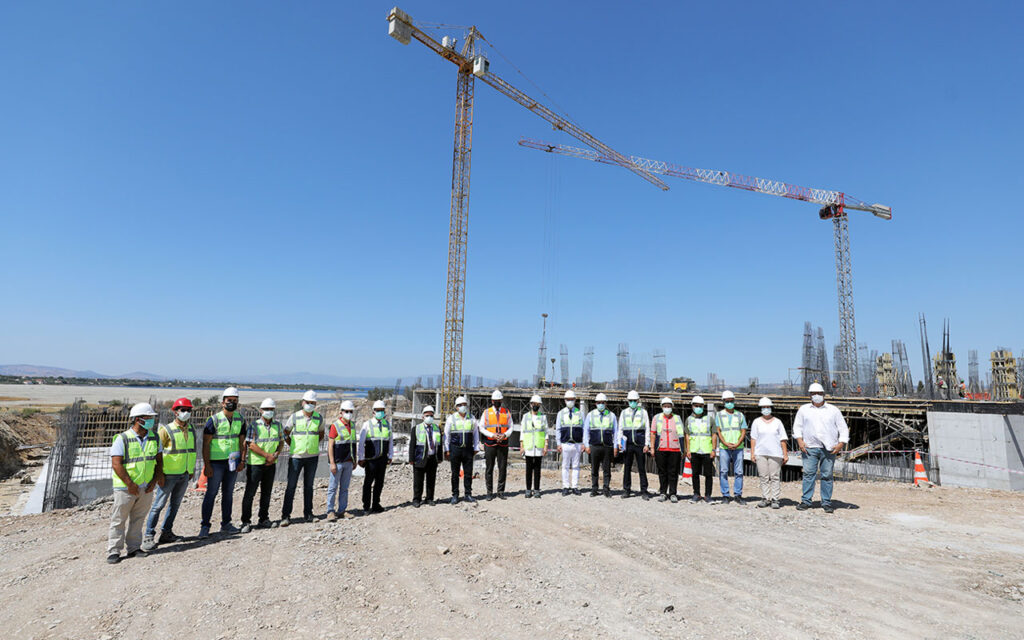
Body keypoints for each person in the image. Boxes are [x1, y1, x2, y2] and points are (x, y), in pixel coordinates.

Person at [107, 403, 163, 564]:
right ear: (138, 419)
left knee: (138, 519)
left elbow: (159, 461)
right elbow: (116, 463)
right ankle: (114, 550)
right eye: (149, 418)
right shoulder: (122, 439)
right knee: (119, 519)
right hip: (125, 488)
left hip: (146, 487)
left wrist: (154, 481)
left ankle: (133, 548)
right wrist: (129, 484)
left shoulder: (154, 437)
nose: (152, 420)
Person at [142, 398, 194, 550]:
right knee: (158, 505)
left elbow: (191, 451)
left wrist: (190, 471)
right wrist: (159, 475)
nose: (186, 413)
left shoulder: (190, 429)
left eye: (188, 410)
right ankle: (148, 535)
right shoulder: (166, 430)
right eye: (182, 410)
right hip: (168, 475)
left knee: (175, 505)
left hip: (184, 474)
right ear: (175, 411)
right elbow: (157, 454)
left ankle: (167, 533)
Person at [794, 383, 849, 513]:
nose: (816, 396)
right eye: (813, 394)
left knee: (827, 475)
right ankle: (806, 501)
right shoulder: (804, 410)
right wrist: (800, 441)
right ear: (809, 395)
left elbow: (843, 428)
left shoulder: (833, 410)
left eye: (819, 393)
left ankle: (826, 502)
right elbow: (797, 427)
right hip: (809, 447)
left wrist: (841, 444)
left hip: (829, 448)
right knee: (808, 475)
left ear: (824, 394)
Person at [200, 387, 246, 539]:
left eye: (234, 401)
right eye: (229, 401)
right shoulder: (214, 420)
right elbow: (206, 444)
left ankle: (226, 523)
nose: (232, 403)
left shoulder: (240, 419)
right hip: (216, 463)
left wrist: (242, 460)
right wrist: (207, 465)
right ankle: (205, 526)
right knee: (211, 493)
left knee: (228, 494)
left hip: (232, 462)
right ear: (222, 403)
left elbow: (242, 442)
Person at [280, 390, 324, 526]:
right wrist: (292, 444)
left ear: (315, 404)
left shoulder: (319, 418)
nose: (310, 405)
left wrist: (313, 444)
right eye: (307, 402)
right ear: (302, 402)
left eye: (312, 403)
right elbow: (285, 433)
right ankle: (286, 516)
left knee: (309, 486)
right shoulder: (294, 417)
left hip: (312, 456)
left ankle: (308, 514)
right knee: (291, 486)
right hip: (296, 456)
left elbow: (321, 434)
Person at [241, 398, 283, 532]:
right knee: (250, 493)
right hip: (256, 464)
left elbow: (281, 441)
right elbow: (251, 445)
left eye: (271, 409)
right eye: (266, 409)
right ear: (261, 411)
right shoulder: (255, 425)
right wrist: (267, 456)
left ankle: (263, 519)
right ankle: (245, 521)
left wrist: (275, 455)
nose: (269, 412)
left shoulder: (278, 425)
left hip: (271, 464)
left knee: (266, 493)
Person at [749, 397, 788, 509]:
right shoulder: (756, 422)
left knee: (775, 476)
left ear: (771, 408)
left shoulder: (777, 422)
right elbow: (753, 439)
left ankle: (775, 499)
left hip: (775, 453)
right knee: (763, 476)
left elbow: (783, 439)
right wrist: (753, 453)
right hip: (761, 453)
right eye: (764, 407)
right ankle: (765, 498)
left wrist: (785, 454)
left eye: (768, 407)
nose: (766, 409)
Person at [358, 399, 394, 514]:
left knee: (379, 482)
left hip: (382, 459)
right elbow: (361, 443)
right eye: (378, 410)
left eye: (382, 410)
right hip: (371, 460)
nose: (380, 413)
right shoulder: (367, 424)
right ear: (373, 412)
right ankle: (366, 506)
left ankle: (376, 504)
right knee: (368, 483)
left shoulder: (387, 425)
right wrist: (361, 457)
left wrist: (390, 455)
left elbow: (390, 441)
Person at [326, 400, 358, 520]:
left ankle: (342, 510)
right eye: (346, 411)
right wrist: (332, 462)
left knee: (344, 488)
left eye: (351, 411)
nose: (349, 413)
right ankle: (330, 511)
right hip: (338, 462)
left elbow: (353, 444)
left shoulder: (353, 426)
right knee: (333, 487)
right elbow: (330, 446)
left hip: (349, 461)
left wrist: (355, 459)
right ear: (341, 412)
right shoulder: (335, 426)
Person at [616, 390, 651, 500]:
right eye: (630, 401)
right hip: (628, 444)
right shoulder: (624, 412)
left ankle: (644, 490)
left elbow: (647, 429)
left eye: (634, 401)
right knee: (627, 467)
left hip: (640, 444)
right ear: (628, 401)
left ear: (638, 401)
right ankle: (626, 490)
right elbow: (620, 429)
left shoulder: (643, 412)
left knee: (641, 468)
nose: (632, 403)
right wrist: (619, 443)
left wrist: (647, 444)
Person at [444, 395, 479, 505]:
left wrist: (476, 447)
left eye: (464, 405)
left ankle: (468, 494)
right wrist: (446, 449)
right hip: (455, 449)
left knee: (468, 473)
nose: (462, 407)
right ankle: (455, 495)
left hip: (468, 449)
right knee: (455, 473)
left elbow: (475, 434)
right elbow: (446, 435)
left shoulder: (472, 418)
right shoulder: (451, 419)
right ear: (456, 407)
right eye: (460, 405)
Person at [478, 389, 512, 500]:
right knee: (489, 469)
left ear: (501, 400)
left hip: (503, 443)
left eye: (499, 400)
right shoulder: (486, 412)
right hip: (490, 443)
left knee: (502, 468)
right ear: (492, 401)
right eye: (496, 400)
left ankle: (501, 491)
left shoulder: (506, 412)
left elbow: (511, 427)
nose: (498, 402)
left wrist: (505, 435)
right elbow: (481, 427)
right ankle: (489, 492)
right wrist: (492, 435)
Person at [715, 390, 747, 504]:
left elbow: (743, 430)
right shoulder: (719, 415)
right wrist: (726, 443)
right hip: (724, 447)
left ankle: (738, 494)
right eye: (727, 401)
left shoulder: (739, 415)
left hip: (738, 447)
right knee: (723, 471)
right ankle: (725, 495)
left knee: (739, 471)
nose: (729, 403)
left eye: (731, 401)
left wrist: (738, 443)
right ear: (723, 402)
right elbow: (718, 431)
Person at [683, 396, 716, 503]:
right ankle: (696, 494)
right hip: (694, 450)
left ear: (703, 406)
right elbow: (687, 435)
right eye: (696, 406)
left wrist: (713, 450)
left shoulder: (709, 419)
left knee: (708, 474)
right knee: (695, 474)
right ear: (692, 406)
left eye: (700, 406)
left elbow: (714, 435)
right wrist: (688, 450)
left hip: (707, 450)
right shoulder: (689, 419)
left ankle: (708, 495)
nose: (698, 408)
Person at [584, 392, 617, 497]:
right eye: (599, 402)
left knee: (607, 469)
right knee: (594, 468)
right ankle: (594, 488)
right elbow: (586, 431)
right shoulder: (590, 415)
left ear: (606, 403)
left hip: (607, 446)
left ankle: (606, 489)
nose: (601, 404)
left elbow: (616, 432)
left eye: (603, 402)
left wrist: (615, 446)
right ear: (595, 403)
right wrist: (586, 445)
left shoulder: (611, 416)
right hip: (594, 446)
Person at [409, 405, 443, 507]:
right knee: (418, 481)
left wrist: (440, 457)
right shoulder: (416, 428)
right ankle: (416, 499)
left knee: (431, 480)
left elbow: (439, 444)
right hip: (420, 458)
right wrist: (411, 458)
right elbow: (412, 445)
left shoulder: (437, 428)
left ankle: (429, 498)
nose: (429, 417)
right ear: (423, 416)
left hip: (432, 458)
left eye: (431, 415)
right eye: (427, 415)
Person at [651, 397, 683, 502]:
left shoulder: (677, 418)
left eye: (669, 406)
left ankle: (673, 493)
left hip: (675, 449)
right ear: (662, 407)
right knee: (662, 472)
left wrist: (683, 449)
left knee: (673, 472)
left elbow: (681, 434)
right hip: (661, 448)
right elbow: (653, 433)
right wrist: (652, 447)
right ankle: (663, 492)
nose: (667, 408)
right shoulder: (657, 418)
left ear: (672, 407)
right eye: (665, 406)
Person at [555, 389, 585, 496]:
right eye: (568, 399)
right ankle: (565, 486)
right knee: (565, 466)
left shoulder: (580, 413)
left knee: (576, 466)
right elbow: (558, 429)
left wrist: (584, 443)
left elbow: (584, 429)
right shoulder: (561, 413)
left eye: (572, 399)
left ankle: (575, 486)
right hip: (565, 443)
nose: (570, 401)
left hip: (577, 443)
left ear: (575, 400)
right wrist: (558, 443)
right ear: (565, 400)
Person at [520, 394, 547, 498]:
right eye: (534, 404)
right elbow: (522, 432)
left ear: (539, 405)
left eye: (537, 404)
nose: (535, 405)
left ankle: (536, 490)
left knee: (537, 470)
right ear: (530, 404)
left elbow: (546, 433)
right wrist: (521, 446)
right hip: (529, 447)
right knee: (528, 469)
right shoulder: (525, 417)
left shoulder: (543, 417)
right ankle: (528, 489)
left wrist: (545, 446)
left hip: (539, 447)